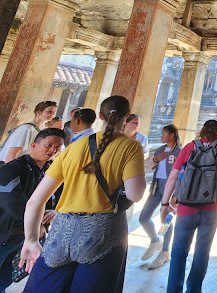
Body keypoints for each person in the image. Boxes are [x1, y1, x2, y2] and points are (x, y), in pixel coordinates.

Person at [19, 95, 147, 293]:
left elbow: (34, 202)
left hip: (62, 230)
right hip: (102, 234)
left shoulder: (73, 147)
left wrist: (31, 241)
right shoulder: (130, 146)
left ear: (99, 116)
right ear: (127, 116)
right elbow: (135, 194)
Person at [160, 119, 217, 293]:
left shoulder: (190, 147)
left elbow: (173, 177)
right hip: (212, 207)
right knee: (202, 252)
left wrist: (165, 203)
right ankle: (194, 289)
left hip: (186, 207)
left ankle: (173, 290)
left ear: (202, 131)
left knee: (179, 252)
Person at [0, 128, 65, 293]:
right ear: (34, 145)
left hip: (24, 238)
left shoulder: (51, 170)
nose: (53, 150)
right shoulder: (11, 169)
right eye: (48, 145)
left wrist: (57, 211)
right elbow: (14, 203)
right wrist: (37, 225)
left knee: (7, 277)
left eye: (58, 147)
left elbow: (64, 197)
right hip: (4, 234)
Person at [139, 124, 182, 269]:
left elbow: (182, 174)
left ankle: (165, 252)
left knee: (166, 220)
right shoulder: (160, 149)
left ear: (171, 135)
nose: (162, 136)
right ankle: (154, 241)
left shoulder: (179, 152)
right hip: (157, 188)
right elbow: (149, 166)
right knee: (143, 217)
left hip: (170, 190)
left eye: (164, 133)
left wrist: (177, 195)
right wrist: (156, 159)